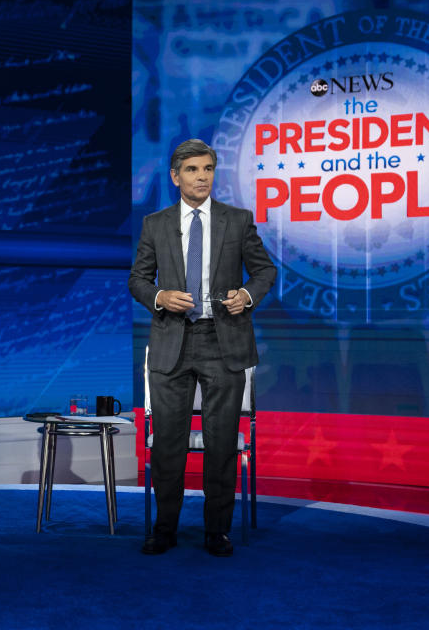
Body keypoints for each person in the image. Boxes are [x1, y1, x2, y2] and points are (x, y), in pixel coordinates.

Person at [128, 139, 276, 557]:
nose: (202, 176)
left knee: (221, 442)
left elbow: (264, 271)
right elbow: (138, 279)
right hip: (171, 340)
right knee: (170, 442)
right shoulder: (155, 224)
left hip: (222, 340)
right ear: (176, 177)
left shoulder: (238, 220)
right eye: (192, 169)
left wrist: (246, 295)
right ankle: (165, 528)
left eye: (208, 168)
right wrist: (159, 297)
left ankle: (217, 531)